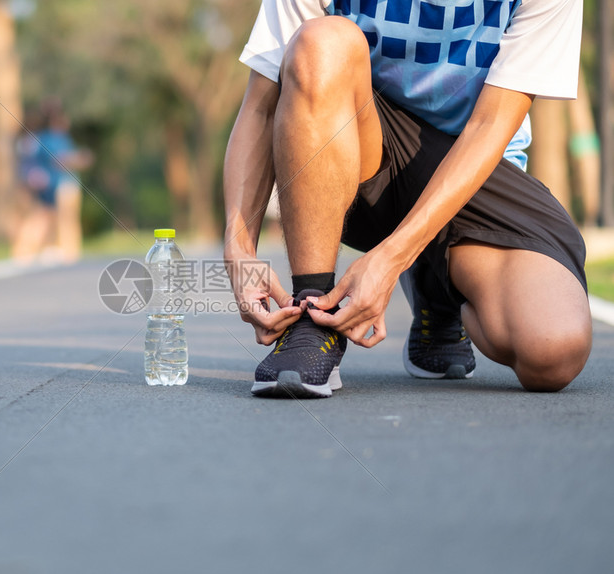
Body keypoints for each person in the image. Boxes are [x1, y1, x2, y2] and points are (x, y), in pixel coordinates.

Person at [224, 0, 592, 398]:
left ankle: (437, 289)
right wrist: (238, 250)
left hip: (472, 167)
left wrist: (390, 260)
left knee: (553, 350)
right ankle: (312, 314)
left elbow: (488, 126)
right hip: (364, 155)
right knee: (322, 43)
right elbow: (261, 107)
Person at [11, 98, 93, 264]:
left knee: (47, 219)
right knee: (63, 219)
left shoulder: (39, 138)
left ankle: (34, 251)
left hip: (50, 185)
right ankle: (68, 253)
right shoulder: (52, 138)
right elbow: (60, 160)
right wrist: (81, 159)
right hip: (61, 184)